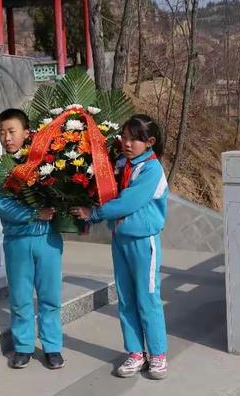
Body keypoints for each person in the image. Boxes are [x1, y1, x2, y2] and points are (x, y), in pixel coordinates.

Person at [70, 114, 169, 380]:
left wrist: (93, 213)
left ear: (149, 142)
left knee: (147, 298)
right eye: (124, 137)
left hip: (142, 242)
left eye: (134, 139)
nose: (127, 143)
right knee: (125, 298)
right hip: (120, 240)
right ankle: (136, 352)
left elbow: (127, 202)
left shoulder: (151, 169)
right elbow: (106, 187)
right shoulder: (122, 163)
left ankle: (158, 355)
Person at [0, 108, 65, 370]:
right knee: (20, 297)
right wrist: (35, 213)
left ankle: (52, 347)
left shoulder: (47, 165)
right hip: (17, 242)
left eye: (12, 131)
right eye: (2, 132)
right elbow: (5, 208)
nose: (6, 138)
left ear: (26, 132)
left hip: (47, 241)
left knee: (50, 296)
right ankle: (23, 347)